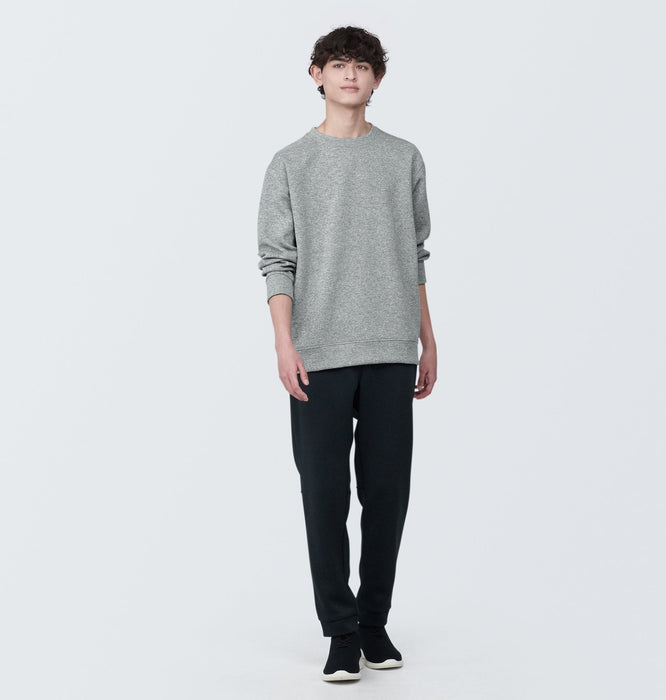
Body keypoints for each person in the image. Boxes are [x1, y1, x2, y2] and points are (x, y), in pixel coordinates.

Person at [256, 25, 437, 682]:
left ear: (377, 79)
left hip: (391, 346)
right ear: (317, 75)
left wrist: (428, 337)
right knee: (325, 495)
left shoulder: (403, 157)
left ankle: (373, 622)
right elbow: (277, 261)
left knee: (387, 494)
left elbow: (415, 254)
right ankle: (339, 630)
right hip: (318, 351)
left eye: (362, 65)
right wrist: (284, 343)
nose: (351, 74)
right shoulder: (290, 163)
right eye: (338, 64)